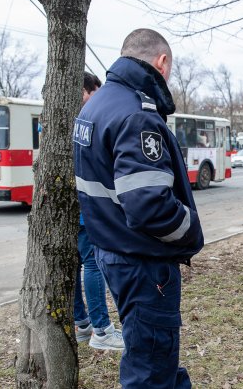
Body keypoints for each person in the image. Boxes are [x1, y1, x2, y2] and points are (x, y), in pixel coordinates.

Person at [74, 28, 203, 388]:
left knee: (150, 353)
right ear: (162, 62)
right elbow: (149, 206)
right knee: (150, 366)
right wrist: (190, 233)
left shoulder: (96, 105)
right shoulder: (138, 114)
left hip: (113, 250)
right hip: (143, 262)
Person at [72, 72, 124, 350]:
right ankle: (101, 330)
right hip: (86, 205)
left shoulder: (61, 116)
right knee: (93, 265)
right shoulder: (87, 117)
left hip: (69, 206)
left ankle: (82, 323)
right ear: (90, 90)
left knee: (74, 265)